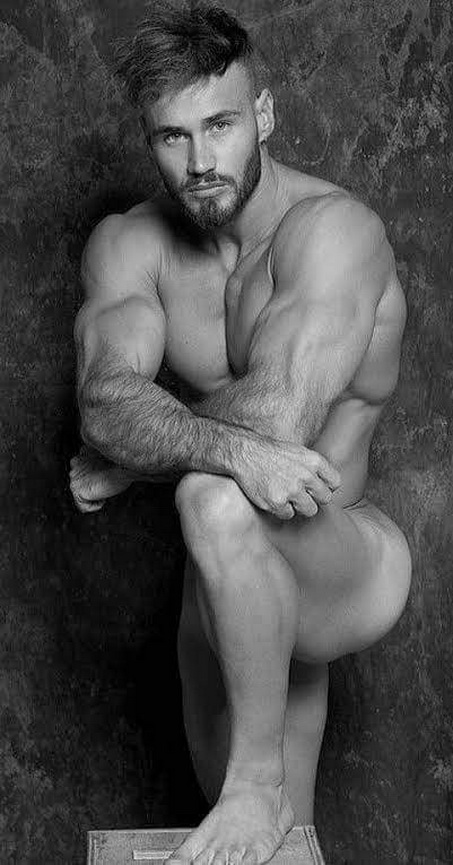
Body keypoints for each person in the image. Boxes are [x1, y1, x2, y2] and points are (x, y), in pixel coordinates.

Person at [70, 3, 412, 863]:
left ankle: (256, 784)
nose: (199, 161)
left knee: (212, 494)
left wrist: (139, 459)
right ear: (150, 140)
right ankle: (257, 794)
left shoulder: (333, 232)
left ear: (262, 114)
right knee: (263, 850)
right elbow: (103, 403)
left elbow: (277, 422)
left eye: (219, 126)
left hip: (339, 552)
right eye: (172, 136)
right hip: (224, 586)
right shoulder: (129, 244)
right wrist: (129, 437)